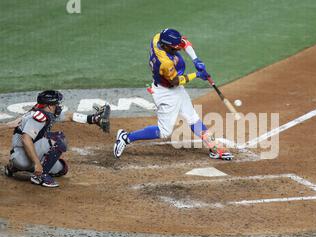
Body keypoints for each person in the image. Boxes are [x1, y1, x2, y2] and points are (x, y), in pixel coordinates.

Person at [113, 28, 233, 160]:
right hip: (165, 92)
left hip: (175, 88)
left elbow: (184, 42)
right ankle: (126, 137)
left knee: (193, 118)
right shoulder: (164, 62)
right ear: (166, 46)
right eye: (174, 48)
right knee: (164, 132)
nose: (178, 50)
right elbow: (175, 81)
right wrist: (197, 75)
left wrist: (195, 59)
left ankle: (214, 147)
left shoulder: (158, 38)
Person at [3, 90, 110, 188]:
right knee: (59, 139)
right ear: (49, 106)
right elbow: (26, 139)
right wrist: (37, 164)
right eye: (56, 103)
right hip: (23, 156)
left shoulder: (45, 112)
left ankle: (14, 167)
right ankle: (40, 176)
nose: (58, 105)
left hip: (21, 157)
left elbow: (69, 116)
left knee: (62, 169)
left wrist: (92, 119)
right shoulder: (39, 117)